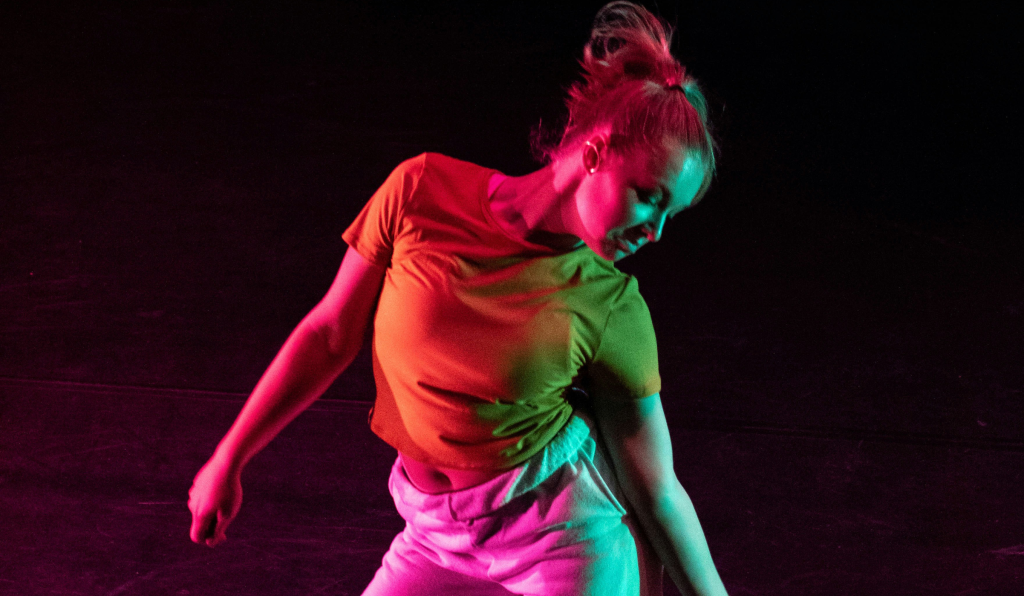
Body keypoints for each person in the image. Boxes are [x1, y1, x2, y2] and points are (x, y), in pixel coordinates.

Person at [188, 2, 728, 594]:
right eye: (649, 196)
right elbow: (329, 334)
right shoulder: (421, 191)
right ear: (596, 152)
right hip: (432, 534)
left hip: (558, 541)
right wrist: (229, 457)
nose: (656, 231)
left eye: (670, 213)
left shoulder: (613, 304)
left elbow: (659, 492)